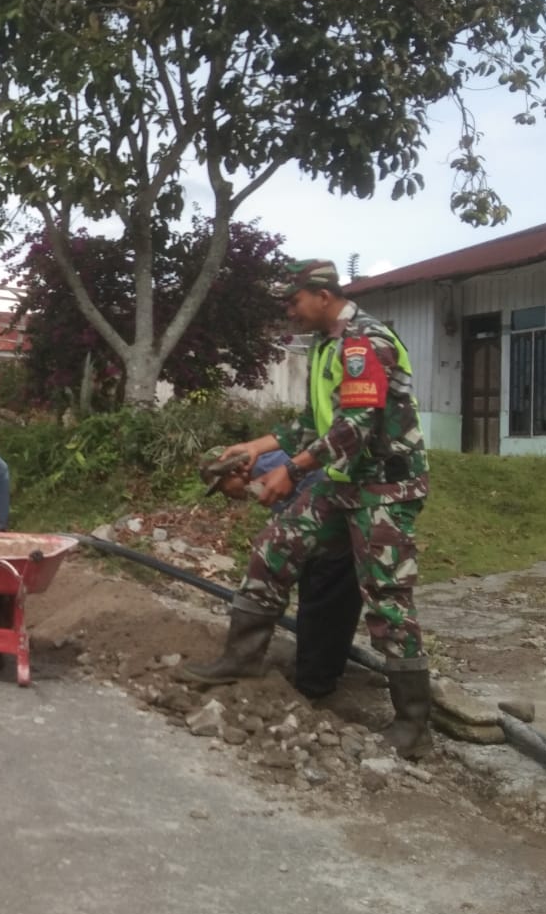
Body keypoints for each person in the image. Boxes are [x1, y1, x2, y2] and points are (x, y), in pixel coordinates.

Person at [180, 259, 433, 758]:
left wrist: (291, 471)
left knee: (386, 594)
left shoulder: (363, 342)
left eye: (293, 301)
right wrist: (254, 448)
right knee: (275, 547)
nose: (289, 311)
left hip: (383, 489)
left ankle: (413, 725)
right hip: (342, 483)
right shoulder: (326, 347)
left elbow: (354, 427)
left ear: (322, 295)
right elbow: (313, 424)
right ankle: (243, 659)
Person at [209, 449, 363, 700]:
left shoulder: (275, 467)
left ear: (233, 471)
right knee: (319, 606)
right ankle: (314, 680)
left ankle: (315, 689)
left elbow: (313, 492)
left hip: (337, 529)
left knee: (327, 603)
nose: (228, 494)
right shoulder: (267, 473)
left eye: (224, 486)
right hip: (327, 529)